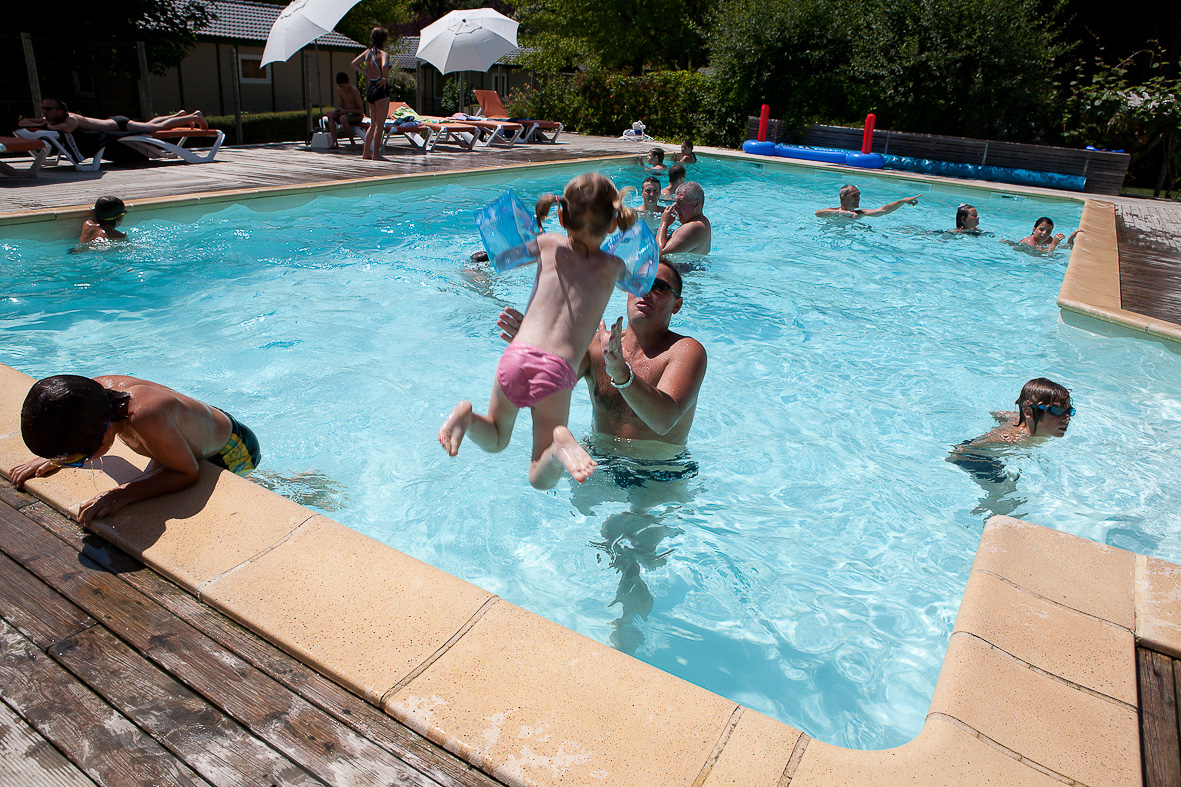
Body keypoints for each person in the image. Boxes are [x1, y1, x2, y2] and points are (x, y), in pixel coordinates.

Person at [439, 173, 639, 489]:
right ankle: (559, 447)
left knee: (495, 436)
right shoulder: (613, 266)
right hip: (556, 370)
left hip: (516, 354)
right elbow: (640, 272)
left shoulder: (547, 244)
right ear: (613, 223)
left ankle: (465, 415)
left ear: (561, 214)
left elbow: (506, 255)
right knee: (539, 477)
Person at [8, 375, 261, 526]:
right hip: (194, 423)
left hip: (231, 448)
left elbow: (186, 473)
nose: (74, 464)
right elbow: (66, 419)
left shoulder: (145, 417)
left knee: (252, 490)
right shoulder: (92, 397)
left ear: (105, 432)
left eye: (76, 459)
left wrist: (122, 494)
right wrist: (56, 459)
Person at [18, 98, 207, 134]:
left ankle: (195, 116)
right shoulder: (53, 119)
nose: (43, 112)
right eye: (43, 108)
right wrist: (44, 122)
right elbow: (23, 121)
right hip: (114, 122)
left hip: (119, 126)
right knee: (149, 124)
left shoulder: (70, 119)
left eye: (47, 109)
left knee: (156, 128)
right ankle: (180, 115)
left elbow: (68, 128)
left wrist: (47, 126)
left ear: (59, 111)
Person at [352, 27, 391, 161]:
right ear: (384, 39)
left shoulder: (367, 53)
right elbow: (385, 66)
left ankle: (365, 153)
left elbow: (354, 64)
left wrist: (367, 73)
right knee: (380, 125)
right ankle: (376, 154)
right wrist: (384, 77)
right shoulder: (383, 54)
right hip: (381, 90)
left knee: (372, 124)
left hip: (371, 89)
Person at [657, 181, 711, 255]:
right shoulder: (700, 222)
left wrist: (664, 223)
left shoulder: (695, 226)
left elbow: (659, 253)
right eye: (675, 202)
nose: (675, 208)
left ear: (696, 204)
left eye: (680, 202)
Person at [815, 185, 920, 219]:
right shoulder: (831, 211)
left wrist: (902, 201)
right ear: (843, 197)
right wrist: (840, 212)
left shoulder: (861, 213)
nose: (858, 198)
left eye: (859, 195)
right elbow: (818, 213)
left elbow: (884, 210)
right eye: (854, 196)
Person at [326, 72, 364, 148]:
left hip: (356, 115)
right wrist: (341, 111)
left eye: (344, 86)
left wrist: (347, 111)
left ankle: (352, 142)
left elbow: (360, 110)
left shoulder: (354, 91)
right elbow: (341, 106)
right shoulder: (339, 91)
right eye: (340, 87)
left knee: (343, 118)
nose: (342, 89)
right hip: (345, 114)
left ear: (348, 82)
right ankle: (334, 142)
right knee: (330, 113)